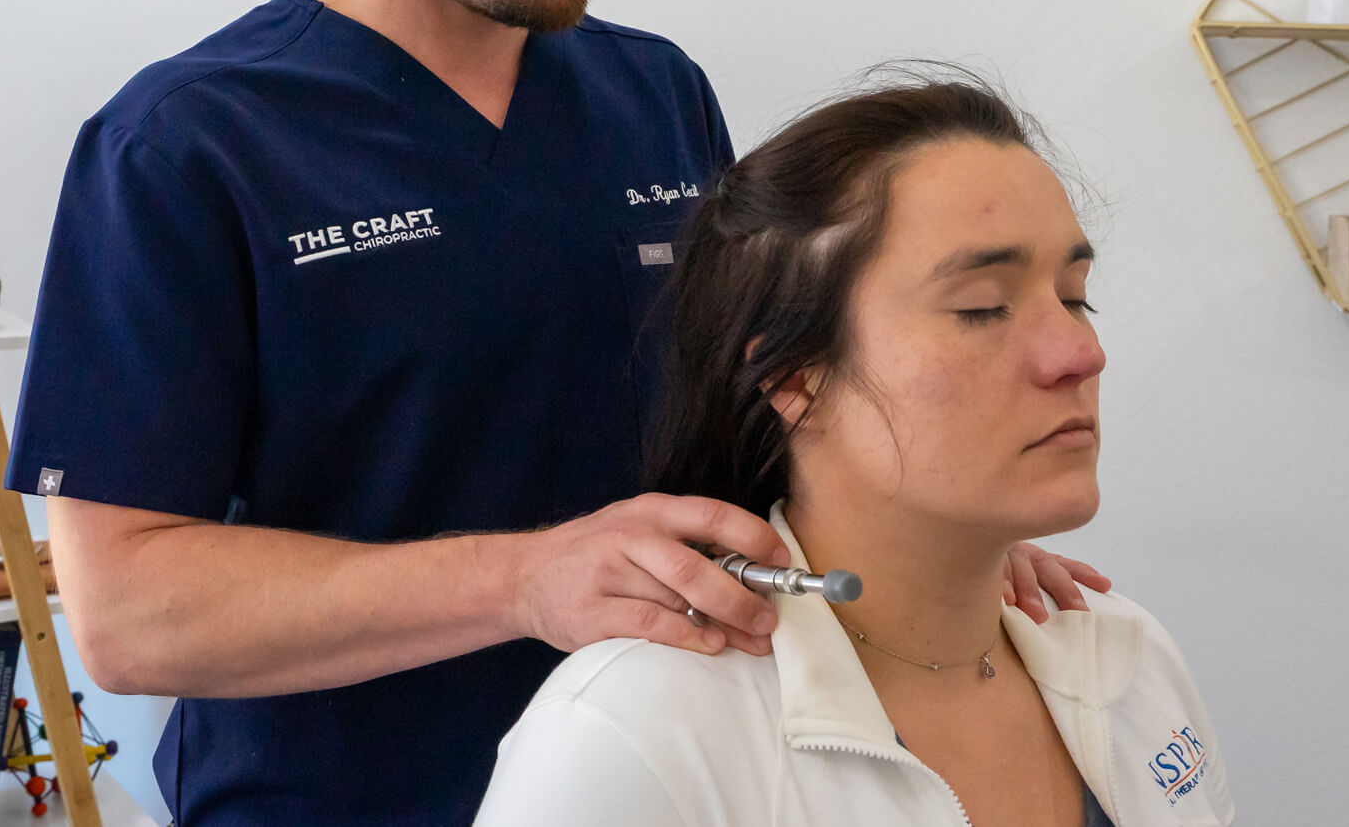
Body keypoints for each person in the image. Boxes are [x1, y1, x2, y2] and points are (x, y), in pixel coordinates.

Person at [2, 0, 1104, 824]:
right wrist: (525, 580)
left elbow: (764, 428)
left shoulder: (657, 97)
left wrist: (936, 535)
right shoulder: (188, 147)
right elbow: (129, 615)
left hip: (689, 785)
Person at [477, 73, 1234, 826]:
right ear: (794, 379)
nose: (1079, 351)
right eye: (983, 307)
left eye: (1075, 296)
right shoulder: (637, 734)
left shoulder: (1122, 653)